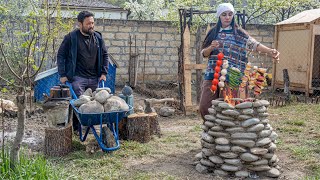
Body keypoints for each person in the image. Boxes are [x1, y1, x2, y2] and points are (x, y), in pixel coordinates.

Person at [199, 3, 280, 119]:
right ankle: (210, 130)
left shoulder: (239, 33)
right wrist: (210, 48)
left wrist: (270, 51)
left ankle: (226, 133)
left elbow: (254, 45)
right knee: (205, 106)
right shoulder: (213, 33)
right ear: (219, 16)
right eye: (224, 14)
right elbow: (204, 54)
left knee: (228, 107)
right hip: (213, 75)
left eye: (230, 14)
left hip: (233, 76)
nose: (227, 17)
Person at [57, 11, 109, 131]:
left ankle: (91, 126)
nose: (91, 26)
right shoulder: (71, 38)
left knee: (95, 104)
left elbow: (105, 54)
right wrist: (63, 74)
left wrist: (104, 72)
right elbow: (61, 55)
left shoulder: (98, 37)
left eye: (92, 23)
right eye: (88, 23)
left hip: (94, 77)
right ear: (80, 24)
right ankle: (77, 129)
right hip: (77, 78)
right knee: (79, 103)